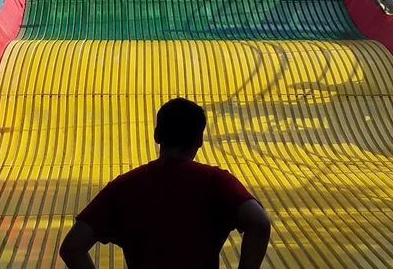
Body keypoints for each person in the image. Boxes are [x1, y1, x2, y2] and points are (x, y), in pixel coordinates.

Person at [60, 98, 271, 269]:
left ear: (157, 135)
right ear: (199, 141)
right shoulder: (216, 181)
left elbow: (72, 247)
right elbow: (259, 222)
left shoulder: (125, 186)